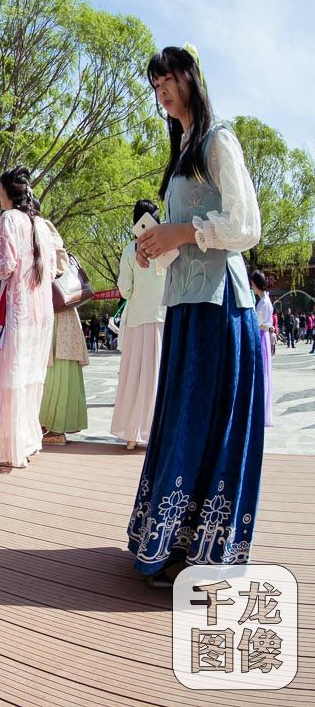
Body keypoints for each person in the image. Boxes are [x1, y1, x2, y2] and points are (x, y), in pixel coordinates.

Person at [126, 45, 264, 586]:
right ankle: (170, 542)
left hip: (220, 308)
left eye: (168, 76)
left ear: (191, 78)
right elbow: (189, 231)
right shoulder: (183, 146)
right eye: (154, 80)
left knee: (209, 426)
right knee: (184, 422)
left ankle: (206, 553)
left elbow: (246, 227)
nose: (160, 87)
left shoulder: (217, 139)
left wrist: (180, 232)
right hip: (186, 305)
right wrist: (155, 245)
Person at [0, 167, 57, 468]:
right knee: (29, 378)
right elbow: (52, 270)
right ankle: (27, 441)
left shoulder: (9, 219)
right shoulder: (42, 224)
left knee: (11, 377)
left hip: (17, 309)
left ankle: (7, 447)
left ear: (7, 191)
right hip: (40, 313)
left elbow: (6, 266)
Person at [111, 200, 168, 450]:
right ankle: (158, 430)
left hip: (136, 321)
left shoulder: (129, 250)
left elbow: (125, 290)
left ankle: (132, 433)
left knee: (133, 376)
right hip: (162, 319)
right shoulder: (166, 247)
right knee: (158, 376)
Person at [39, 221, 89, 444]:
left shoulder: (44, 230)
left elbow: (58, 264)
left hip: (56, 312)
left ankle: (55, 428)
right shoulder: (42, 228)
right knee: (53, 367)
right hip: (59, 313)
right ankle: (47, 424)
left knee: (54, 367)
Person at [250, 271, 275, 427]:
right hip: (262, 334)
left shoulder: (264, 302)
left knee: (262, 372)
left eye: (252, 283)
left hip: (261, 335)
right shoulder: (263, 300)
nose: (251, 286)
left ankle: (262, 411)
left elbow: (258, 321)